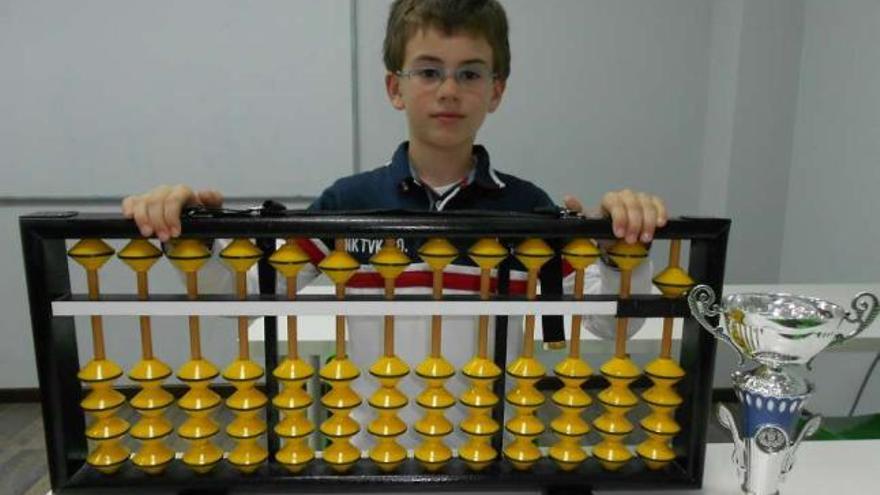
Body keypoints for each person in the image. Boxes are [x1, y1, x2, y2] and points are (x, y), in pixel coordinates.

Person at [121, 0, 666, 453]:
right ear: (394, 87)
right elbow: (244, 294)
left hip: (490, 452)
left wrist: (626, 252)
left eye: (470, 73)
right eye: (428, 71)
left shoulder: (531, 212)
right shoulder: (346, 203)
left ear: (495, 91)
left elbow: (604, 326)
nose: (448, 90)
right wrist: (186, 231)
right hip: (363, 448)